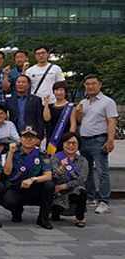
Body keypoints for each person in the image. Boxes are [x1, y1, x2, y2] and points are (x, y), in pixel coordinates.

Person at [76, 74, 117, 214]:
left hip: (99, 139)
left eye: (93, 83)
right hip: (84, 140)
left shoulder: (108, 102)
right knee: (86, 171)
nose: (90, 86)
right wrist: (78, 113)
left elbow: (111, 121)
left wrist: (110, 140)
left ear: (100, 85)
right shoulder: (83, 102)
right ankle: (90, 197)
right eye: (87, 84)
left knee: (102, 171)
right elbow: (79, 121)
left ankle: (104, 201)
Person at [2, 126, 54, 229]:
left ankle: (43, 218)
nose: (28, 139)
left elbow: (48, 176)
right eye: (25, 137)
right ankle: (17, 211)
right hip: (17, 188)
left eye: (32, 137)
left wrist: (32, 179)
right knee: (7, 200)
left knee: (49, 186)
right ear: (20, 139)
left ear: (36, 140)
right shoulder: (13, 153)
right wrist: (10, 154)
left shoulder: (41, 154)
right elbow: (7, 172)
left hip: (35, 188)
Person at [50, 132, 88, 227]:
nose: (71, 145)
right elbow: (52, 175)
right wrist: (61, 168)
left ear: (78, 145)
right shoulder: (55, 158)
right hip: (57, 192)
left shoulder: (83, 161)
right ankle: (55, 213)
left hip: (73, 190)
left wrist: (63, 186)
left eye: (74, 143)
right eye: (68, 142)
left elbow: (81, 179)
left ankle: (80, 218)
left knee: (81, 192)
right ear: (62, 144)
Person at [43, 81, 77, 155]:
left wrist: (71, 138)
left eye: (61, 90)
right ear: (53, 92)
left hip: (65, 138)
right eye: (56, 90)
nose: (59, 92)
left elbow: (73, 124)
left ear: (65, 92)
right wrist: (46, 104)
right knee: (51, 161)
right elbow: (46, 118)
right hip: (52, 139)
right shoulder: (50, 106)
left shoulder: (70, 107)